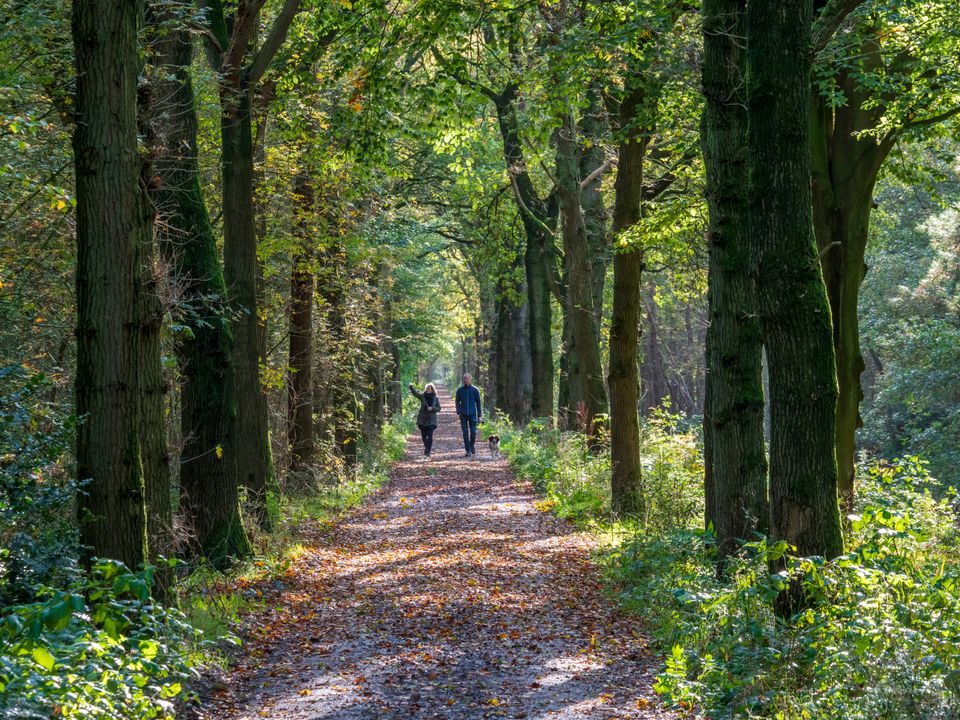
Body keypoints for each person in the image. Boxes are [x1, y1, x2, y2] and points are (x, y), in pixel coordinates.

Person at [409, 382, 440, 458]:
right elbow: (416, 394)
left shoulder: (435, 398)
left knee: (430, 436)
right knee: (423, 436)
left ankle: (428, 451)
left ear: (432, 389)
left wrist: (432, 408)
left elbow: (439, 408)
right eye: (427, 388)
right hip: (422, 419)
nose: (428, 389)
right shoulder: (422, 396)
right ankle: (427, 447)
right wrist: (411, 387)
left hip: (431, 420)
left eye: (430, 388)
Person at [455, 373, 482, 457]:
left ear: (470, 380)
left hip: (472, 414)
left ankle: (471, 445)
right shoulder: (459, 390)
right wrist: (458, 411)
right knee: (465, 433)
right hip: (463, 415)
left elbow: (478, 403)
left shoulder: (475, 390)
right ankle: (468, 450)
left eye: (467, 379)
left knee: (473, 432)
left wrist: (479, 415)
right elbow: (457, 401)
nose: (465, 380)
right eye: (464, 379)